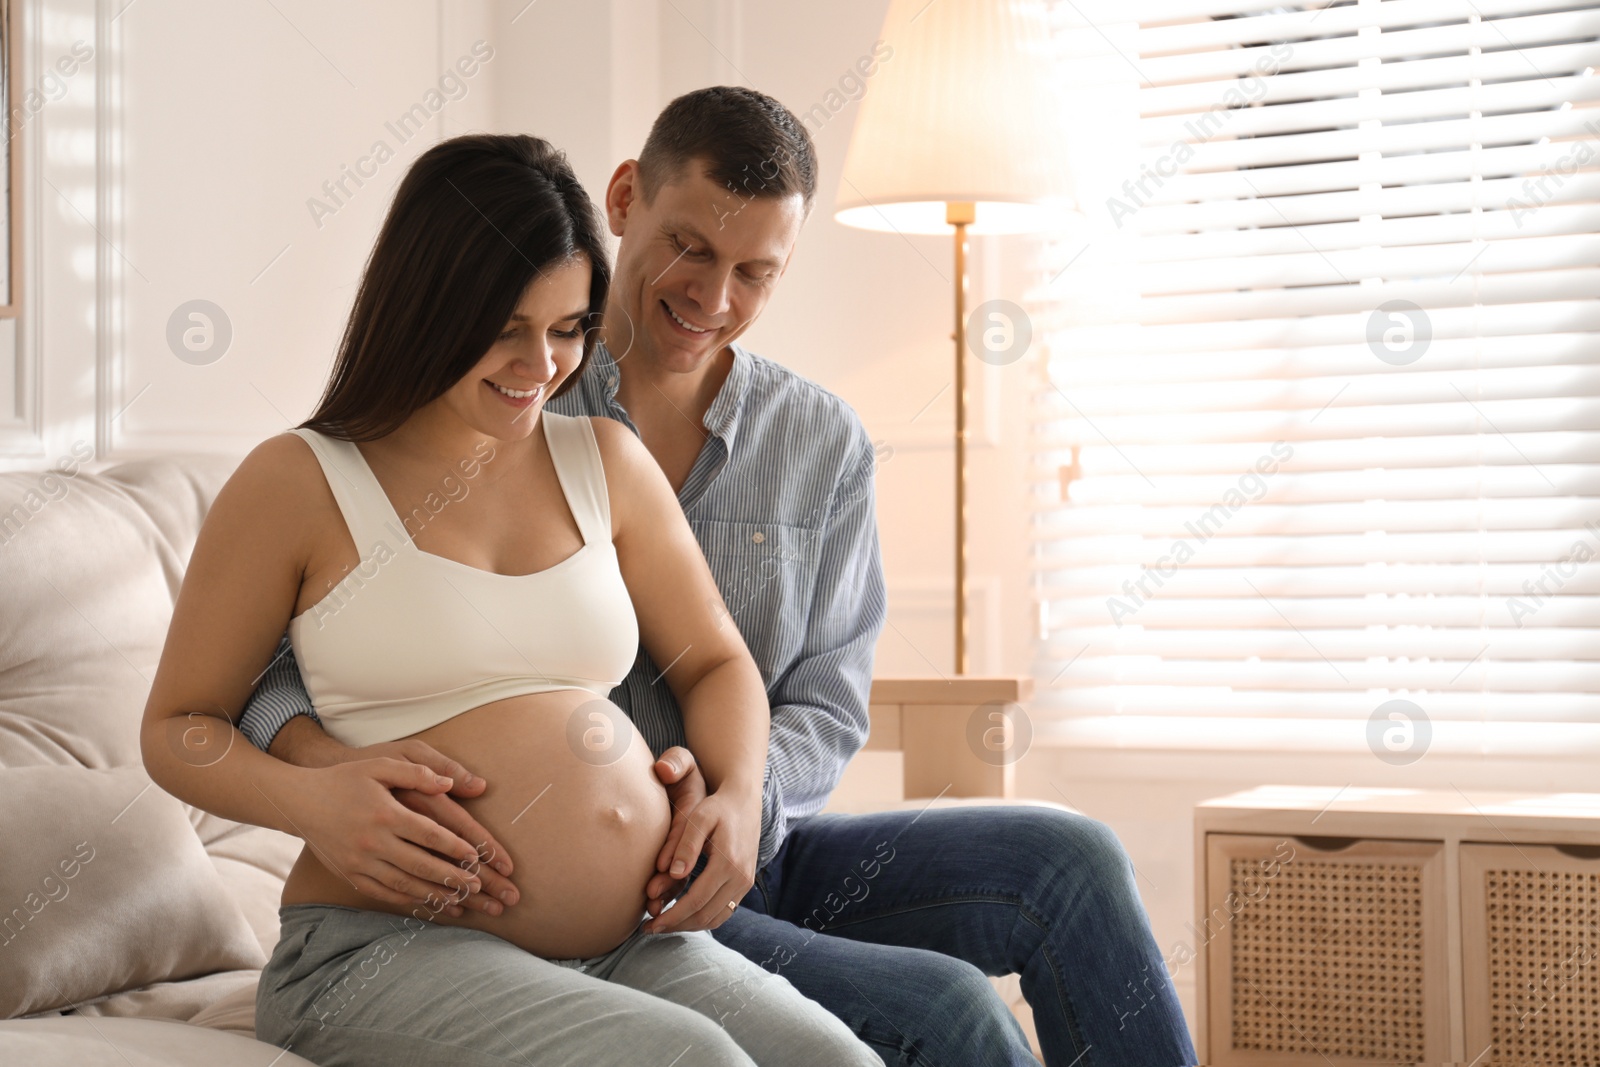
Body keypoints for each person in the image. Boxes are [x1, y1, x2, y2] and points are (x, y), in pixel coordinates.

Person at [235, 88, 1198, 1066]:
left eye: (755, 272)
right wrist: (325, 770)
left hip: (758, 846)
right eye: (691, 247)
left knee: (1072, 859)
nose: (714, 296)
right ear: (622, 201)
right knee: (945, 1007)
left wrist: (742, 805)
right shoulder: (500, 395)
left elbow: (822, 697)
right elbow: (291, 655)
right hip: (607, 889)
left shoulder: (817, 441)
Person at [139, 131, 880, 1067]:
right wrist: (314, 802)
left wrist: (735, 794)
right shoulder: (299, 480)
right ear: (428, 305)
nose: (544, 365)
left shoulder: (603, 463)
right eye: (505, 328)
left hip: (624, 943)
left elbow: (718, 659)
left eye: (569, 327)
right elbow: (178, 726)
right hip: (378, 947)